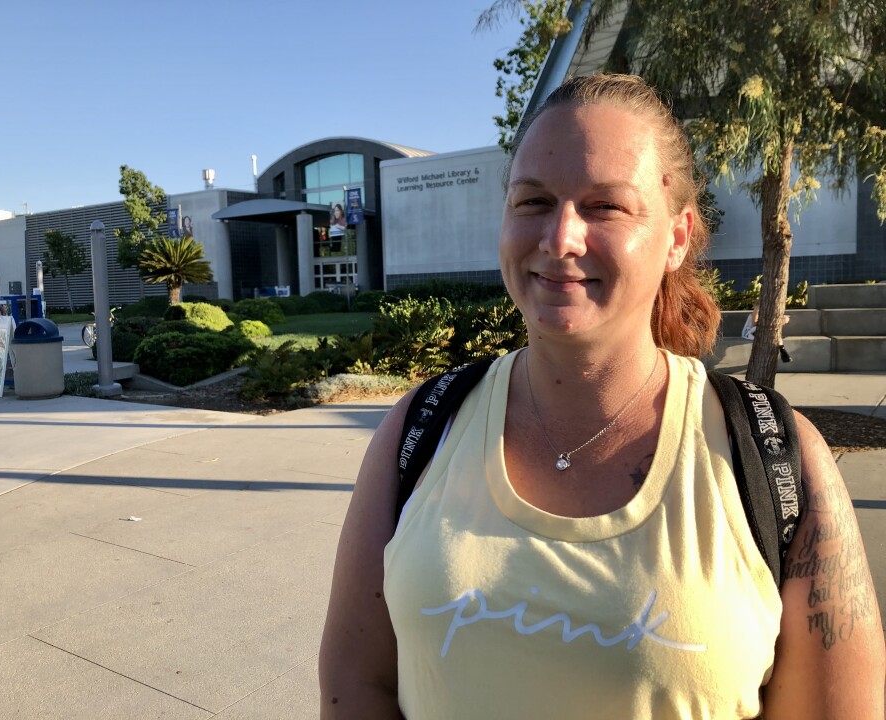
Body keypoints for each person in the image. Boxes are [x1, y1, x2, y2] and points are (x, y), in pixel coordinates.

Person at [319, 74, 885, 719]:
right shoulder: (421, 429)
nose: (559, 239)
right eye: (532, 201)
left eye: (605, 206)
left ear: (677, 238)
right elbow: (357, 684)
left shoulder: (778, 460)